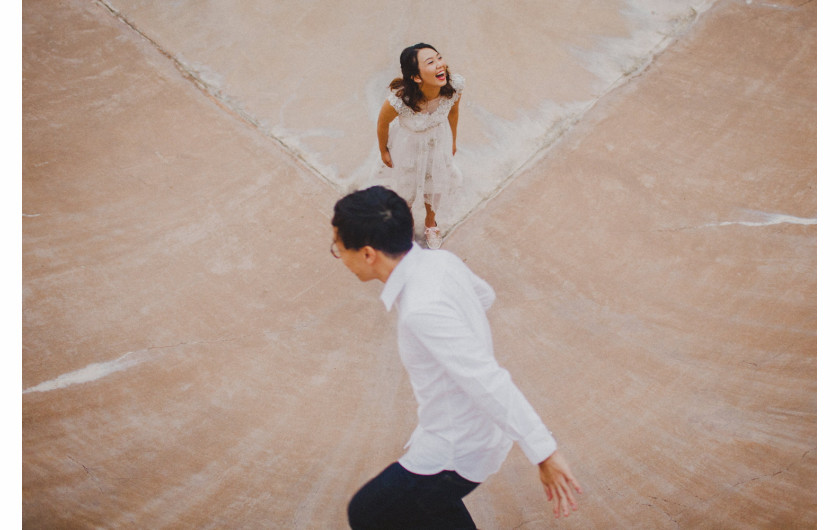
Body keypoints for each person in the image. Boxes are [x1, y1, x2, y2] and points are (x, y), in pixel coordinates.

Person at [331, 186, 581, 529]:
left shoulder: (423, 310)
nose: (340, 257)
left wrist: (544, 452)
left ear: (369, 254)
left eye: (339, 248)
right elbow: (485, 296)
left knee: (368, 511)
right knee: (430, 508)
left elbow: (486, 379)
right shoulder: (440, 262)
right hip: (473, 436)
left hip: (455, 451)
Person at [376, 43, 464, 250]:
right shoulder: (400, 101)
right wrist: (383, 150)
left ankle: (430, 224)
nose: (440, 65)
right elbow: (382, 123)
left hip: (436, 143)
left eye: (439, 58)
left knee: (435, 184)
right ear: (416, 76)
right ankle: (406, 227)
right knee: (406, 190)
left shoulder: (454, 86)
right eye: (430, 62)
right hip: (408, 147)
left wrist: (453, 140)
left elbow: (453, 112)